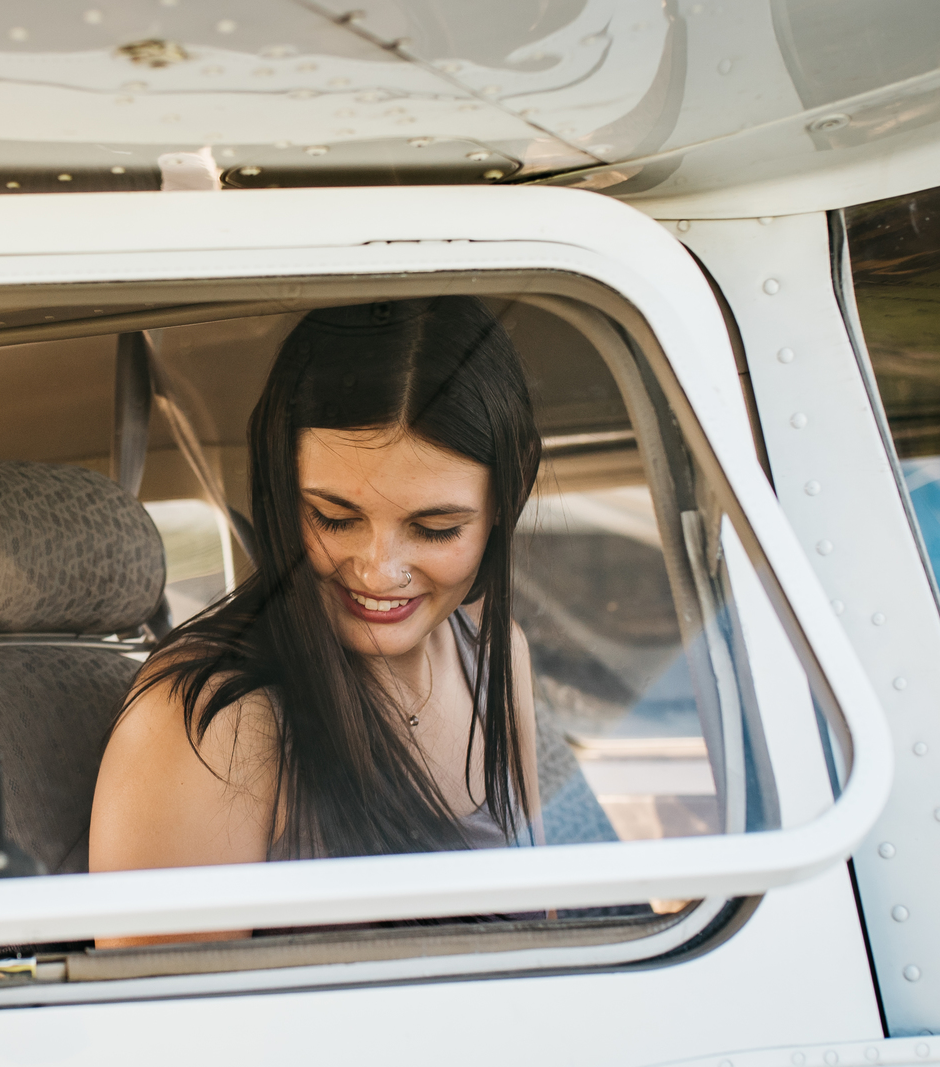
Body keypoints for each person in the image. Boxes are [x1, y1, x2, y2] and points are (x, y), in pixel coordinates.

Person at [89, 297, 611, 912]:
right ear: (284, 494)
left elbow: (539, 931)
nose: (377, 570)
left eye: (436, 528)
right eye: (334, 518)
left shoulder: (496, 654)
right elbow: (160, 1006)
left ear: (503, 507)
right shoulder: (213, 716)